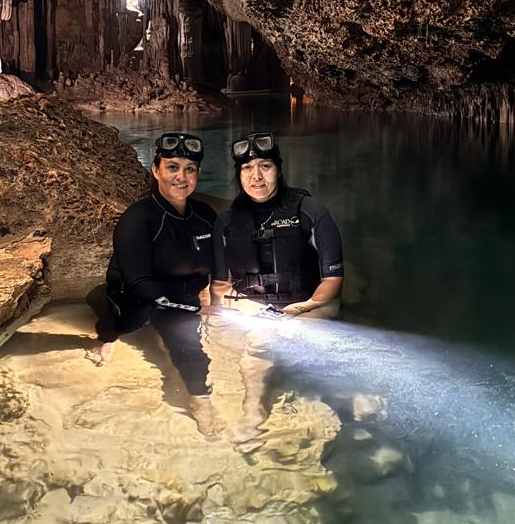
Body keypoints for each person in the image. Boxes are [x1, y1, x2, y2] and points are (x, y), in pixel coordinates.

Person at [88, 133, 217, 401]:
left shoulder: (206, 216)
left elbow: (218, 262)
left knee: (191, 354)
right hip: (137, 299)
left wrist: (214, 298)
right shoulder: (137, 219)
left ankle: (201, 400)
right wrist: (194, 308)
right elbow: (138, 284)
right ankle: (103, 314)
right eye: (172, 167)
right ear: (156, 170)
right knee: (125, 322)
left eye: (190, 169)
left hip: (183, 299)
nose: (181, 177)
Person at [212, 131, 344, 318]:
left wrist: (296, 311)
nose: (256, 176)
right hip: (248, 314)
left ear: (279, 171)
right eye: (247, 168)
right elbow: (220, 286)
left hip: (304, 311)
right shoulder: (225, 222)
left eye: (265, 166)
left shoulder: (310, 212)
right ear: (239, 174)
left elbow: (333, 280)